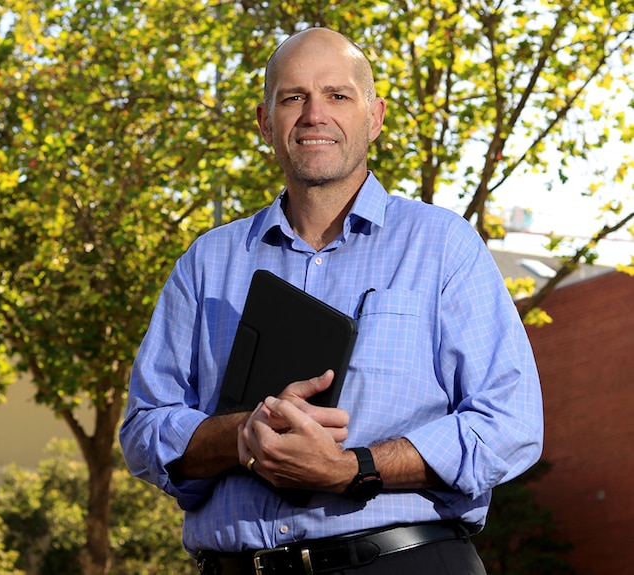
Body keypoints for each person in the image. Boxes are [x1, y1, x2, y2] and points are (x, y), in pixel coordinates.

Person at [120, 26, 543, 575]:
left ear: (375, 117)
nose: (314, 114)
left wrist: (353, 468)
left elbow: (510, 424)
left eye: (337, 95)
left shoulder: (443, 245)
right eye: (292, 97)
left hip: (405, 562)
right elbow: (144, 428)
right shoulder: (206, 263)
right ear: (264, 122)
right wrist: (243, 435)